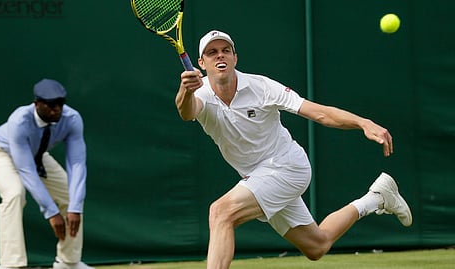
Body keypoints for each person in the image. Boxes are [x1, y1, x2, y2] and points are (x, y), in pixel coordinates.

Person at [175, 30, 412, 269]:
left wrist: (363, 122)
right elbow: (187, 112)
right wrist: (186, 91)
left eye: (226, 50)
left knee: (221, 212)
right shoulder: (199, 93)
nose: (220, 56)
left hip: (287, 167)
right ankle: (377, 198)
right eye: (212, 52)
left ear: (235, 58)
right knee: (316, 245)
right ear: (202, 63)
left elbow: (320, 113)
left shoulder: (263, 87)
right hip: (257, 177)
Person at [0, 79, 94, 269]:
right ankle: (11, 265)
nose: (56, 109)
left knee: (71, 194)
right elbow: (26, 171)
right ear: (37, 104)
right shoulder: (19, 120)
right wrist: (51, 212)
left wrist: (75, 207)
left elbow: (77, 164)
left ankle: (68, 263)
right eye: (51, 105)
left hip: (37, 155)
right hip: (0, 153)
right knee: (15, 194)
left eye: (60, 104)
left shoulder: (72, 118)